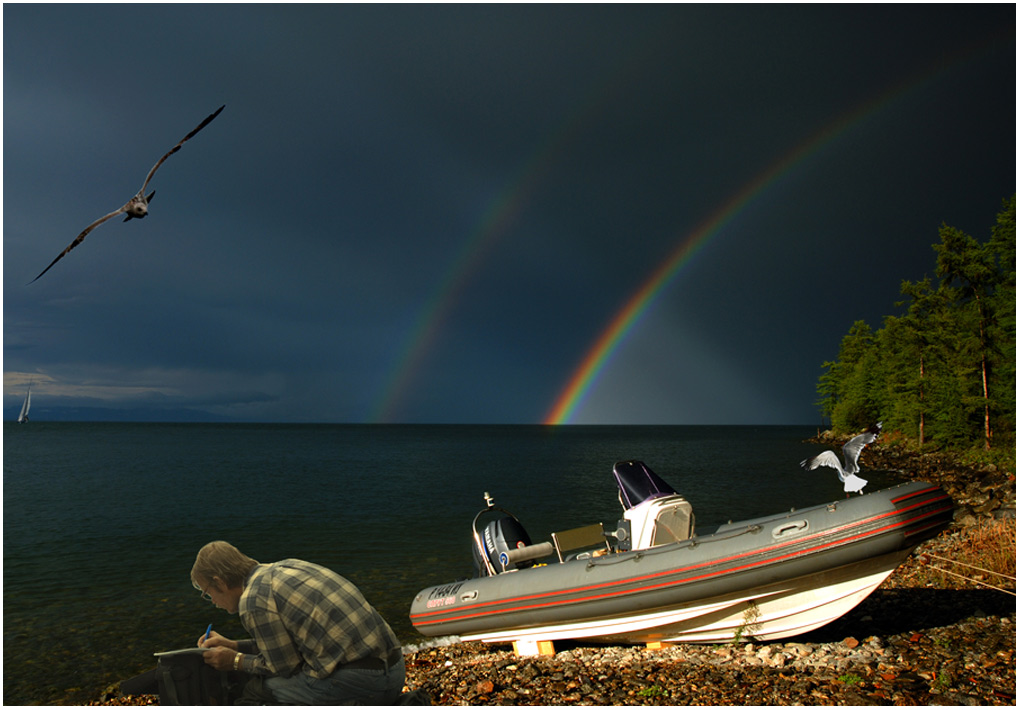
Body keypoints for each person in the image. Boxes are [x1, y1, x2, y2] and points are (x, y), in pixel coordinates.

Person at [191, 541, 406, 705]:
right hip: (395, 669)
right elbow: (291, 643)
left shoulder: (252, 602)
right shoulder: (287, 566)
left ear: (219, 581)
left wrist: (235, 661)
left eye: (208, 594)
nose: (214, 603)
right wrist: (236, 646)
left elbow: (284, 667)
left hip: (367, 684)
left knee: (258, 690)